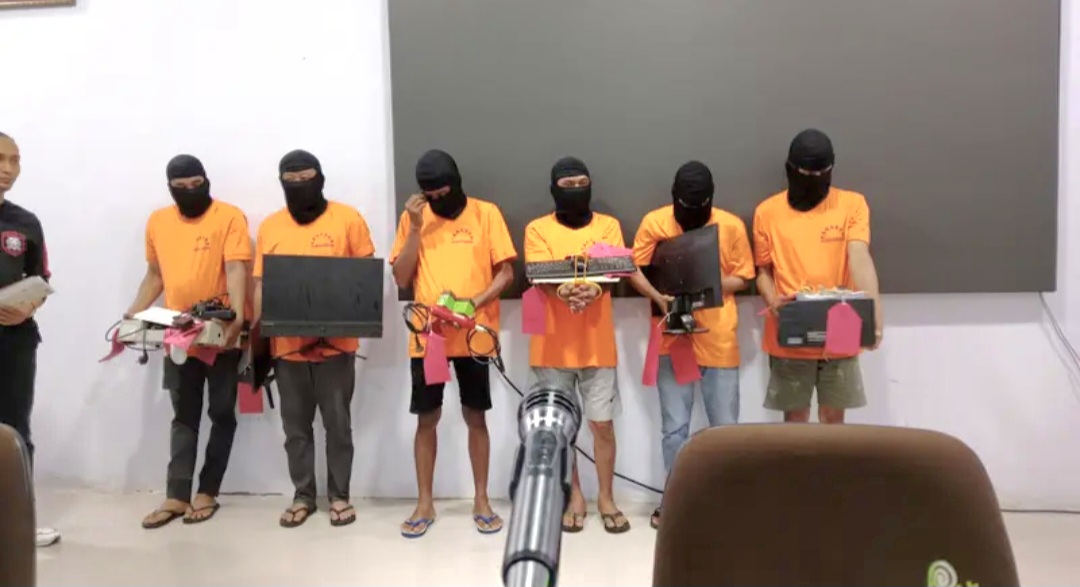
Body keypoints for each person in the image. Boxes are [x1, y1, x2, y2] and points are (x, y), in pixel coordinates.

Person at [525, 156, 668, 534]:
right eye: (567, 185)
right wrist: (567, 291)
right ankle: (574, 496)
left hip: (597, 346)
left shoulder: (608, 226)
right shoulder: (537, 229)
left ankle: (606, 497)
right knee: (561, 428)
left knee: (601, 425)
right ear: (553, 189)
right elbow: (539, 275)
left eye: (582, 184)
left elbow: (617, 269)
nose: (576, 191)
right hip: (550, 348)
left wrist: (594, 289)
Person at [390, 149, 516, 538]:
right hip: (429, 338)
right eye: (431, 196)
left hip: (475, 336)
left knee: (476, 417)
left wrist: (473, 303)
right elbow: (401, 277)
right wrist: (415, 227)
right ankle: (424, 502)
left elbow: (506, 273)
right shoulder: (413, 218)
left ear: (456, 183)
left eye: (444, 193)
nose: (438, 201)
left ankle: (481, 500)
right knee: (426, 418)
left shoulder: (486, 213)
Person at [127, 154, 252, 529]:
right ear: (170, 188)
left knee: (222, 413)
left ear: (206, 181)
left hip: (221, 333)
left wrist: (238, 318)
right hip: (178, 335)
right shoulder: (158, 221)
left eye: (196, 185)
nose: (190, 192)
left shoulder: (229, 217)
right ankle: (176, 495)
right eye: (180, 188)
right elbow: (155, 275)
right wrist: (133, 314)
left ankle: (207, 491)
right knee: (183, 416)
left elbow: (235, 267)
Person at [253, 150, 375, 528]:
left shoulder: (348, 219)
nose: (299, 187)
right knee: (295, 429)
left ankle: (340, 496)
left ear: (320, 178)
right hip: (286, 349)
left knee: (338, 426)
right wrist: (257, 336)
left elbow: (364, 279)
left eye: (306, 179)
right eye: (291, 182)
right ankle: (303, 495)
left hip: (335, 347)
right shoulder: (271, 226)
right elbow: (260, 285)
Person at [632, 161, 755, 530]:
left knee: (725, 429)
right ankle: (674, 502)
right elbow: (632, 267)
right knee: (674, 429)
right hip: (674, 340)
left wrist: (703, 284)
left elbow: (744, 276)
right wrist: (660, 296)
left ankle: (727, 503)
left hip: (719, 339)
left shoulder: (731, 225)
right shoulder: (654, 222)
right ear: (674, 198)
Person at [753, 129, 883, 424]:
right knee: (795, 420)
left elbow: (859, 256)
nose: (813, 180)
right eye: (805, 174)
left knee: (833, 420)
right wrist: (773, 300)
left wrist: (874, 312)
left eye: (820, 173)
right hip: (791, 326)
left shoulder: (852, 205)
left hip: (841, 322)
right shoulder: (767, 212)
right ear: (791, 170)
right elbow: (762, 271)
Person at [0, 132, 61, 547]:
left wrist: (28, 308)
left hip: (15, 342)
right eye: (1, 159)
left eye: (15, 160)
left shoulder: (25, 222)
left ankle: (17, 527)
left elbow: (40, 279)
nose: (9, 169)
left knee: (15, 434)